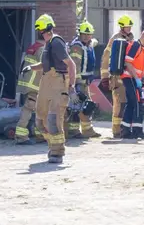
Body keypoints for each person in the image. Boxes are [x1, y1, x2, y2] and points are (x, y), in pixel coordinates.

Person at [22, 14, 77, 163]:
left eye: (40, 28)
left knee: (53, 118)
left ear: (44, 28)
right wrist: (31, 67)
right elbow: (44, 65)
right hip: (46, 82)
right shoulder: (48, 44)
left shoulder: (56, 42)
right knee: (40, 119)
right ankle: (53, 145)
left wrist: (71, 86)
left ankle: (57, 152)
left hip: (58, 82)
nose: (39, 31)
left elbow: (71, 64)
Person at [65, 21, 101, 140]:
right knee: (77, 107)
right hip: (79, 82)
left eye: (88, 34)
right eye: (84, 34)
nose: (86, 36)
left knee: (86, 106)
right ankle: (73, 130)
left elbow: (94, 42)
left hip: (86, 81)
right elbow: (75, 66)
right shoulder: (77, 47)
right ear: (79, 34)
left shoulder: (89, 44)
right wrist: (75, 85)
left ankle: (87, 130)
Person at [100, 15, 135, 138]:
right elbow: (106, 57)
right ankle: (116, 130)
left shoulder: (131, 38)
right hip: (117, 76)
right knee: (119, 103)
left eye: (130, 26)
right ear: (121, 27)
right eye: (127, 26)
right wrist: (104, 76)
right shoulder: (115, 39)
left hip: (127, 75)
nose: (129, 28)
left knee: (127, 102)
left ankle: (125, 128)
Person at [121, 28, 144, 140]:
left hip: (133, 79)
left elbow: (142, 69)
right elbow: (127, 62)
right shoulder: (135, 46)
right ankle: (137, 131)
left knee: (132, 103)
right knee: (137, 103)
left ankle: (125, 131)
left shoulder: (142, 49)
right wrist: (136, 78)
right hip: (130, 78)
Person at [14, 30, 46, 145]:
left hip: (28, 83)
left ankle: (40, 134)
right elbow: (44, 67)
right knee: (31, 108)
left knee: (38, 109)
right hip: (35, 84)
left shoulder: (34, 46)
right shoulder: (42, 49)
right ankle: (21, 136)